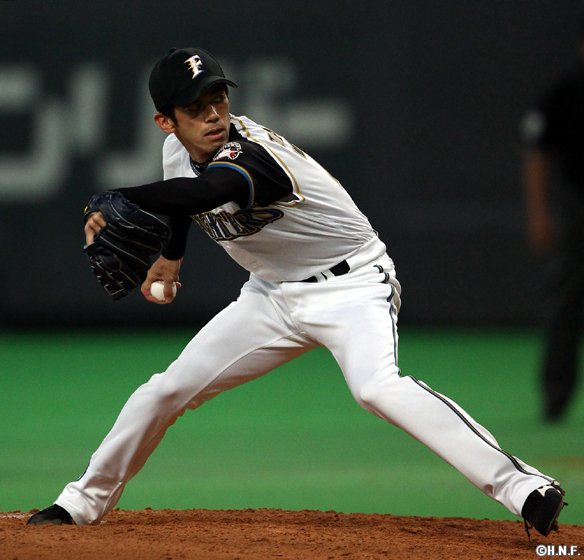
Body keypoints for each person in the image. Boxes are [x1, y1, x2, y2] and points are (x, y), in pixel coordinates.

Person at [27, 47, 565, 536]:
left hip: (352, 286)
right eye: (195, 107)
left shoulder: (251, 154)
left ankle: (525, 487)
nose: (213, 114)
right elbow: (185, 196)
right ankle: (81, 502)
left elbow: (208, 190)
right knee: (165, 390)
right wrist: (171, 254)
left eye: (218, 98)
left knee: (376, 388)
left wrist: (116, 195)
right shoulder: (176, 151)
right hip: (269, 296)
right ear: (166, 121)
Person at [521, 23, 584, 423]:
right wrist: (539, 213)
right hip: (577, 209)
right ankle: (555, 398)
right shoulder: (564, 92)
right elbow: (536, 154)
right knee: (565, 304)